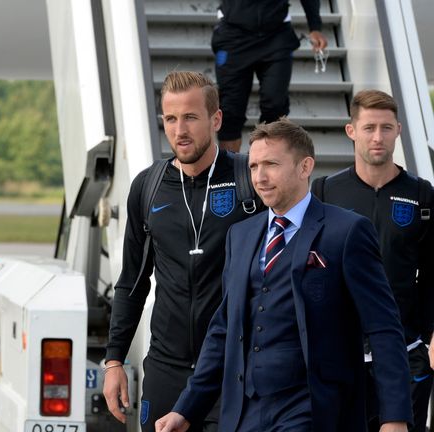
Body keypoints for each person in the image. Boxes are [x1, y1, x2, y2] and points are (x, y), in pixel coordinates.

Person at [155, 119, 413, 432]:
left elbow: (384, 328)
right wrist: (186, 408)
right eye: (253, 167)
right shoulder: (240, 235)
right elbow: (224, 329)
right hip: (244, 413)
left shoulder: (346, 232)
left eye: (271, 165)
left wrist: (395, 417)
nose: (260, 178)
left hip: (313, 410)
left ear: (305, 167)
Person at [103, 71, 261, 432]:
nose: (179, 130)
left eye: (190, 117)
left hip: (233, 368)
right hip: (165, 369)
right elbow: (132, 282)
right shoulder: (149, 186)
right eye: (170, 119)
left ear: (216, 119)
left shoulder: (249, 180)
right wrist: (114, 360)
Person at [311, 89, 433, 432]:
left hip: (405, 350)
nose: (377, 137)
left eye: (385, 128)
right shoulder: (325, 192)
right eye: (368, 128)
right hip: (341, 354)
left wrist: (430, 334)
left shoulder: (421, 194)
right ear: (351, 131)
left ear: (398, 131)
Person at [213, 0, 327, 152]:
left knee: (276, 105)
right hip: (233, 34)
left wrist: (315, 27)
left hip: (276, 35)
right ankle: (229, 171)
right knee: (230, 111)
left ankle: (264, 166)